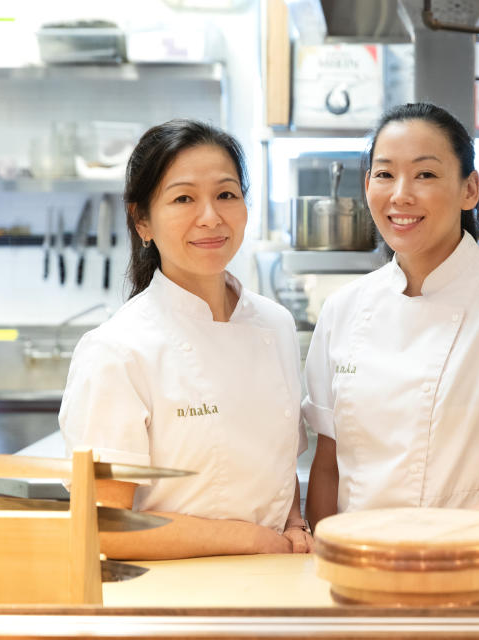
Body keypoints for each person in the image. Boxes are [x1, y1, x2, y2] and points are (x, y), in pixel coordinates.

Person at [303, 103, 479, 526]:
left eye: (425, 174)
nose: (401, 193)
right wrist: (325, 559)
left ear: (469, 190)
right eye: (385, 174)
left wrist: (450, 545)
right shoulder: (343, 309)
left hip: (466, 570)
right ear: (367, 185)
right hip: (357, 569)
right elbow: (329, 462)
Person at [59, 119, 312, 560]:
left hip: (274, 583)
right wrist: (251, 539)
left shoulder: (276, 324)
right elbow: (104, 527)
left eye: (226, 195)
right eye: (183, 198)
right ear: (143, 222)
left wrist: (294, 522)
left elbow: (277, 462)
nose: (211, 216)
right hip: (170, 599)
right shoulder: (118, 350)